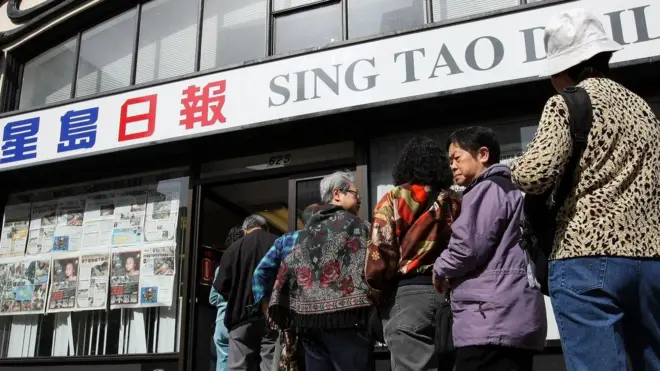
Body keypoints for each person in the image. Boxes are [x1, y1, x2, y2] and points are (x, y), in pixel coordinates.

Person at [510, 8, 660, 371]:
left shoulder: (567, 103)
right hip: (650, 258)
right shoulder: (644, 110)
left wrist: (510, 166)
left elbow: (534, 175)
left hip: (586, 256)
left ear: (564, 67)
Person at [434, 126, 547, 371]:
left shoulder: (485, 189)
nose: (452, 165)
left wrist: (439, 269)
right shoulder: (514, 189)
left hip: (489, 319)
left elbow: (467, 247)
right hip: (518, 315)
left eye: (457, 157)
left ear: (482, 154)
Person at [364, 136, 460, 371]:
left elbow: (380, 251)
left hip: (406, 297)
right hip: (450, 295)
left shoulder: (395, 198)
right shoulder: (455, 201)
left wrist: (375, 293)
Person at [268, 171, 372, 371]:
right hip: (348, 323)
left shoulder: (306, 232)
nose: (359, 200)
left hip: (309, 326)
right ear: (337, 194)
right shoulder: (358, 227)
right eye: (355, 194)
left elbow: (289, 268)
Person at [252, 203, 319, 371]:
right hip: (322, 314)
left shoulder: (286, 240)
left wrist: (266, 305)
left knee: (290, 359)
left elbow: (260, 272)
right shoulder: (327, 239)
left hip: (291, 314)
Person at [214, 215, 279, 371]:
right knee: (271, 364)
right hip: (272, 315)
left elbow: (222, 286)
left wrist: (238, 296)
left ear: (245, 230)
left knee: (239, 366)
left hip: (240, 316)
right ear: (266, 228)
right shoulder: (277, 243)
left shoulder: (233, 249)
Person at [210, 226, 245, 371]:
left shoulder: (220, 268)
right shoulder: (244, 265)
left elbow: (212, 298)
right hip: (236, 321)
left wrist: (223, 301)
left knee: (222, 363)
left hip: (220, 323)